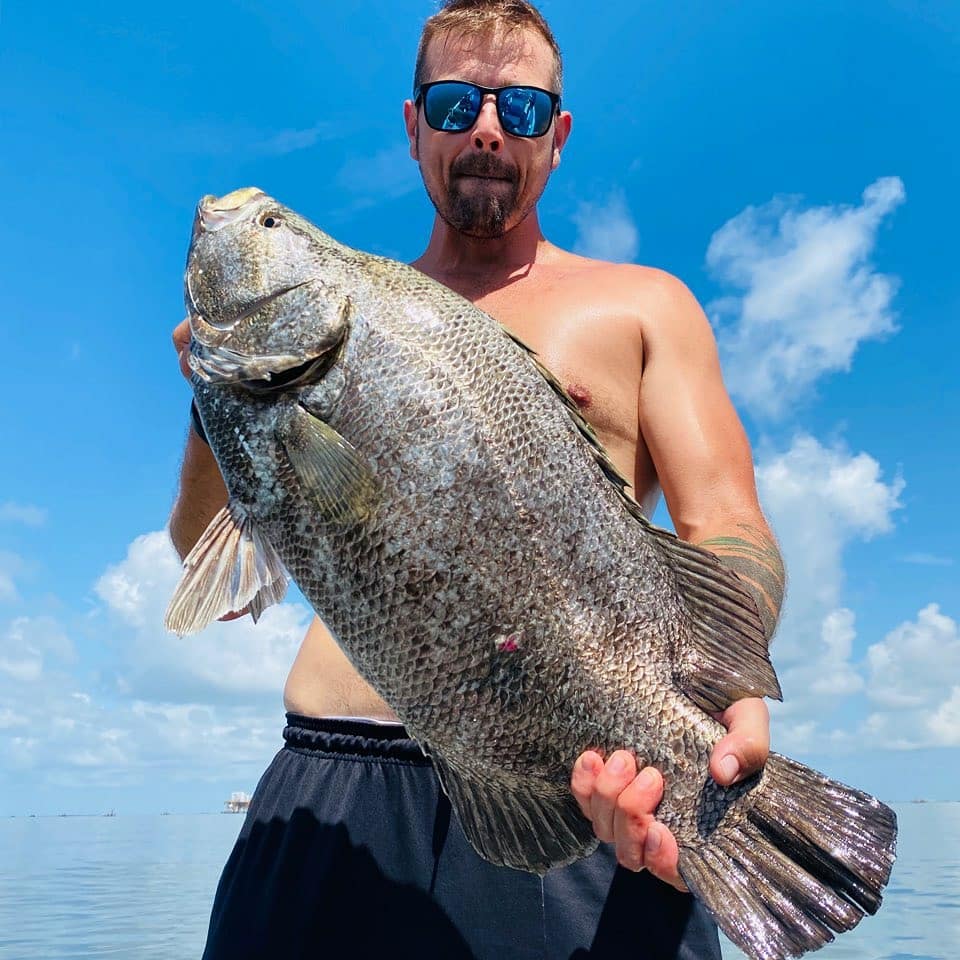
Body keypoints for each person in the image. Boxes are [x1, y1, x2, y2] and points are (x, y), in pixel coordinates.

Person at [170, 2, 784, 957]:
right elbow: (201, 551)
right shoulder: (343, 307)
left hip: (578, 788)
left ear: (558, 135)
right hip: (330, 786)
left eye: (522, 109)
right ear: (414, 125)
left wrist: (719, 688)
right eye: (456, 103)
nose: (488, 128)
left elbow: (726, 525)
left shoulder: (645, 306)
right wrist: (220, 397)